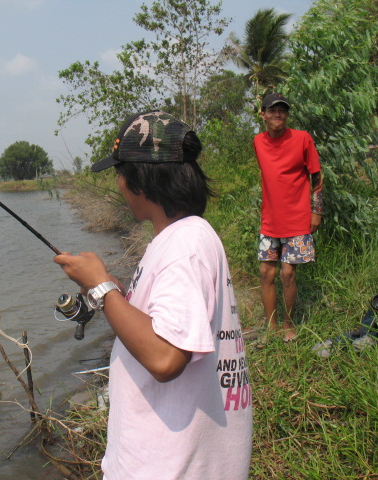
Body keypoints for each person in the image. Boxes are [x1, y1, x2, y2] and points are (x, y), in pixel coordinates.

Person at [54, 111, 252, 479]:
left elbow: (165, 358)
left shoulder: (183, 246)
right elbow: (163, 323)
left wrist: (101, 286)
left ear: (141, 180)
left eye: (119, 173)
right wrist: (109, 288)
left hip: (170, 467)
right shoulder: (185, 236)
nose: (117, 184)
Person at [254, 93, 323, 344]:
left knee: (287, 274)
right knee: (265, 273)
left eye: (282, 110)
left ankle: (288, 325)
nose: (278, 115)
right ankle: (271, 326)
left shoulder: (302, 138)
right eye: (272, 111)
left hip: (297, 218)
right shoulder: (258, 142)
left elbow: (317, 177)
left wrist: (317, 211)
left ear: (287, 114)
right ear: (263, 115)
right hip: (270, 220)